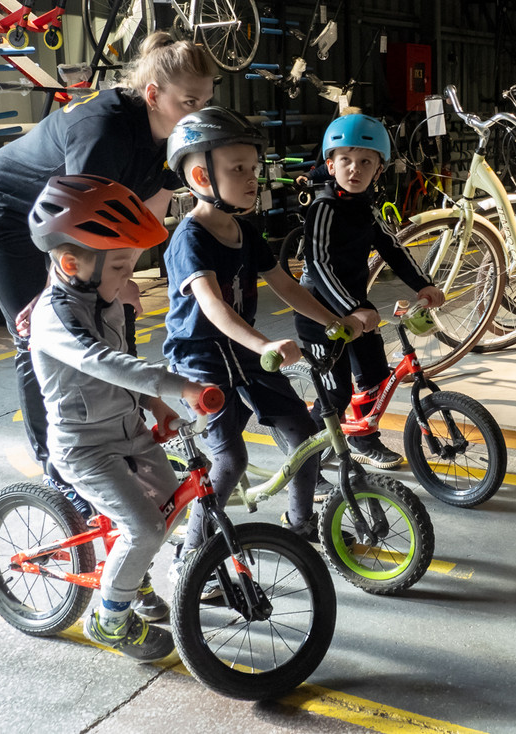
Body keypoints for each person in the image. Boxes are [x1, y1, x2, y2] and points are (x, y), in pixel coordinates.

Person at [0, 32, 216, 488]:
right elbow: (74, 226)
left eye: (205, 102)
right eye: (189, 102)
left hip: (66, 221)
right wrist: (51, 293)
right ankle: (58, 469)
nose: (197, 114)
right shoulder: (104, 130)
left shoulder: (172, 140)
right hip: (6, 215)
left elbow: (148, 219)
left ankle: (128, 436)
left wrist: (125, 277)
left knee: (114, 311)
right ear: (154, 95)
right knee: (41, 331)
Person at [160, 107, 361, 573]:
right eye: (238, 170)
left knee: (305, 438)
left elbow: (287, 287)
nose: (253, 179)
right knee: (229, 460)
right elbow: (212, 305)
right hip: (201, 359)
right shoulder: (189, 238)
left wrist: (336, 321)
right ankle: (191, 555)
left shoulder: (247, 231)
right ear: (199, 175)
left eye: (255, 169)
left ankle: (301, 526)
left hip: (246, 355)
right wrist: (264, 345)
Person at [27, 174, 210, 661]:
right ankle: (108, 622)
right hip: (85, 447)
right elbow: (101, 361)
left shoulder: (102, 298)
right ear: (71, 264)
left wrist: (156, 406)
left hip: (129, 430)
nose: (130, 281)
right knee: (146, 528)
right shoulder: (55, 315)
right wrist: (179, 385)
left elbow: (123, 352)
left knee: (168, 506)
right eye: (123, 267)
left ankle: (131, 577)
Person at [296, 112, 445, 473]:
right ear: (330, 165)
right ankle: (306, 465)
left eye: (366, 162)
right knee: (335, 395)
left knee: (375, 376)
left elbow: (394, 248)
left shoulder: (366, 208)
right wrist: (350, 310)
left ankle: (362, 437)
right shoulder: (324, 208)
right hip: (321, 315)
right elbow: (318, 265)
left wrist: (423, 283)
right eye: (345, 160)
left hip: (355, 310)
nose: (355, 169)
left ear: (379, 169)